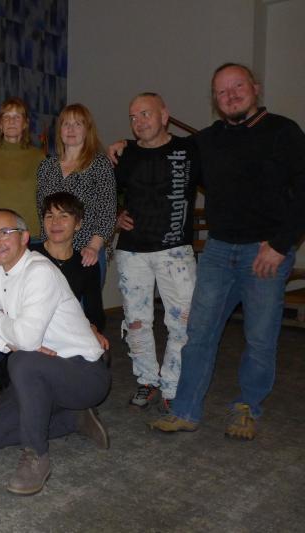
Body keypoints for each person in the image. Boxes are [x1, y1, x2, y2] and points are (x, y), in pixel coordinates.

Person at [146, 63, 305, 439]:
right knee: (198, 333)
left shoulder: (284, 131)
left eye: (237, 87)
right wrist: (126, 146)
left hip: (265, 250)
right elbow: (166, 156)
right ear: (214, 99)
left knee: (259, 337)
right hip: (218, 250)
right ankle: (185, 410)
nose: (230, 95)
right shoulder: (208, 140)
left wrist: (280, 244)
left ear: (255, 88)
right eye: (222, 91)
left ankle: (248, 407)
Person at [0, 209, 110, 496]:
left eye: (4, 233)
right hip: (42, 373)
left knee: (23, 361)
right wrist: (8, 341)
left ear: (25, 237)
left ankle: (37, 455)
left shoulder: (39, 272)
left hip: (84, 373)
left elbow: (26, 341)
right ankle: (74, 419)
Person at [114, 93, 199, 413]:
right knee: (136, 322)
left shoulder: (191, 150)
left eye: (145, 114)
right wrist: (115, 216)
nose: (138, 122)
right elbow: (106, 193)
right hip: (132, 253)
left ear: (164, 115)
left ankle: (172, 386)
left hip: (175, 252)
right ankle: (147, 379)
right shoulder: (124, 154)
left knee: (182, 323)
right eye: (133, 117)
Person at [36, 103, 116, 282]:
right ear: (60, 130)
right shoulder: (46, 166)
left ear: (87, 130)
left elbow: (107, 211)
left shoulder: (99, 164)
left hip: (86, 253)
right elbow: (42, 211)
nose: (71, 129)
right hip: (52, 253)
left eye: (77, 124)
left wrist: (93, 247)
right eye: (66, 124)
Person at [36, 193, 108, 350]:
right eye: (49, 216)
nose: (55, 222)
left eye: (64, 216)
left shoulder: (86, 264)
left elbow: (95, 313)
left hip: (66, 331)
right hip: (32, 331)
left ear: (78, 224)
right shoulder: (29, 254)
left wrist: (92, 328)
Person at [0, 97, 46, 249]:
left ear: (25, 123)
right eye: (7, 117)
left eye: (17, 117)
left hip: (31, 236)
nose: (11, 121)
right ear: (0, 124)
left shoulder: (39, 157)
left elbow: (45, 198)